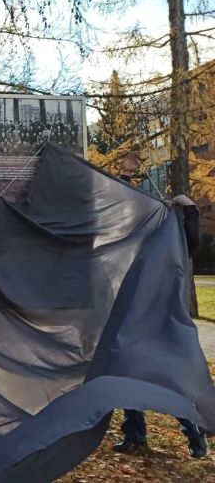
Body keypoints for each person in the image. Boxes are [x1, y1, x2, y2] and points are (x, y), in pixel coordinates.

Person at [113, 152, 209, 459]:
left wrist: (191, 207)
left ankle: (194, 434)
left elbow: (191, 235)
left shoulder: (177, 248)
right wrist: (126, 175)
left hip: (162, 324)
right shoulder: (138, 247)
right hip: (136, 321)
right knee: (128, 375)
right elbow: (122, 207)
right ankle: (135, 435)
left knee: (168, 380)